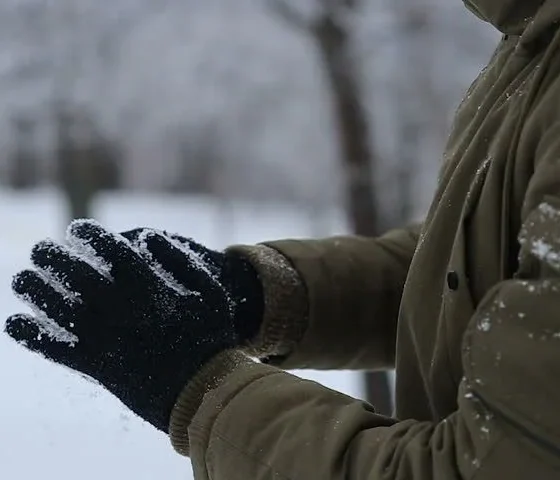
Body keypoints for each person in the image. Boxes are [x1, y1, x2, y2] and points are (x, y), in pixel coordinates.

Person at [5, 0, 560, 478]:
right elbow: (475, 272)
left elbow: (483, 467)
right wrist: (259, 294)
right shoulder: (532, 45)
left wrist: (201, 390)